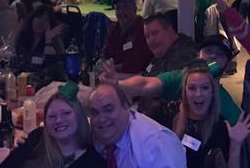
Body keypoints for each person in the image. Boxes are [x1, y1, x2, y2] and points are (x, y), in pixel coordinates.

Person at [104, 35, 242, 125]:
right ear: (198, 55)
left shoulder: (227, 103)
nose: (213, 56)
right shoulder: (181, 77)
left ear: (227, 63)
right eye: (208, 50)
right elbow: (146, 84)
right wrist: (118, 84)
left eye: (220, 54)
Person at [173, 63, 250, 168]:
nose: (198, 94)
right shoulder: (174, 119)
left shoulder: (220, 127)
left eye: (205, 88)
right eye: (192, 88)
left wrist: (235, 144)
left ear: (213, 92)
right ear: (184, 92)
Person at [102, 0, 153, 75]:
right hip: (115, 74)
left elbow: (134, 66)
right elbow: (105, 54)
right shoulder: (113, 29)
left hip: (140, 77)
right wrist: (102, 64)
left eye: (125, 7)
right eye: (118, 8)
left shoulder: (142, 29)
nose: (121, 11)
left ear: (135, 10)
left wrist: (109, 68)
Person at [142, 11, 199, 76]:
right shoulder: (162, 53)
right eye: (147, 36)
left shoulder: (183, 56)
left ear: (170, 30)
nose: (151, 41)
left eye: (155, 33)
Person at [14, 5, 69, 71]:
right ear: (33, 18)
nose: (40, 22)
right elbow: (18, 57)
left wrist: (48, 40)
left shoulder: (54, 39)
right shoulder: (23, 35)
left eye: (45, 20)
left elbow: (51, 65)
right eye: (39, 17)